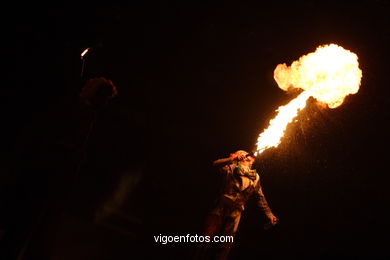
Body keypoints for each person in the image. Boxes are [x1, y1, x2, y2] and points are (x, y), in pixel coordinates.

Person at [197, 150, 278, 260]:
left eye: (246, 154)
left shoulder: (256, 177)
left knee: (225, 245)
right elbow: (215, 164)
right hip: (220, 207)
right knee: (205, 240)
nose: (246, 155)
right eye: (242, 153)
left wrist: (269, 214)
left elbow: (260, 198)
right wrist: (231, 159)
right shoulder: (230, 167)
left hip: (236, 212)